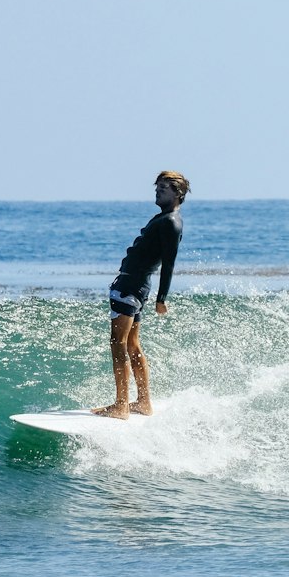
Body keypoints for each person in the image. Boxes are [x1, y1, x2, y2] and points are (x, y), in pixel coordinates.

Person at [93, 170, 190, 419]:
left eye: (164, 188)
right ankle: (143, 402)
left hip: (131, 287)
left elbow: (169, 263)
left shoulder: (170, 221)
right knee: (132, 345)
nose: (158, 190)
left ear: (178, 193)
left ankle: (121, 405)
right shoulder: (166, 218)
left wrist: (162, 299)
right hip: (136, 286)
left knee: (119, 344)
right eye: (157, 186)